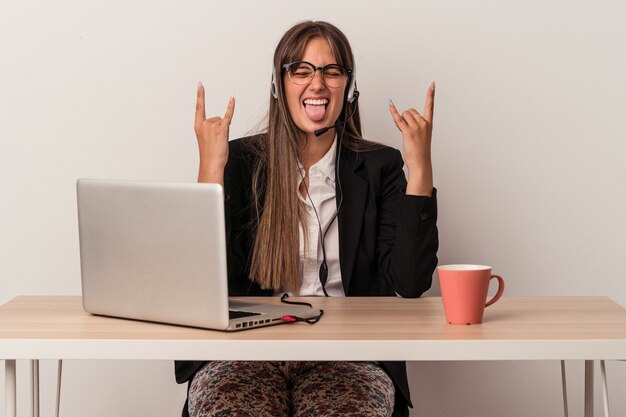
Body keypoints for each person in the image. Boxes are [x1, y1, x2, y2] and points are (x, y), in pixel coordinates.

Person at [175, 20, 438, 417]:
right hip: (244, 354)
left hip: (349, 356)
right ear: (280, 85)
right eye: (301, 71)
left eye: (332, 72)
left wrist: (419, 168)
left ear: (347, 88)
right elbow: (197, 284)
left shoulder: (380, 166)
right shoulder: (241, 161)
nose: (317, 83)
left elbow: (410, 282)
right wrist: (211, 170)